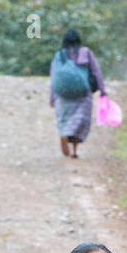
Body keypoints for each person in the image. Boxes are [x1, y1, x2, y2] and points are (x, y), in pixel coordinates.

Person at [49, 28, 107, 160]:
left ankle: (64, 134)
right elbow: (96, 71)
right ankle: (74, 151)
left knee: (65, 119)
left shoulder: (59, 55)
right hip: (82, 93)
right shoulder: (85, 52)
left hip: (63, 94)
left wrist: (52, 97)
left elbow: (53, 77)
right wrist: (102, 91)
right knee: (80, 120)